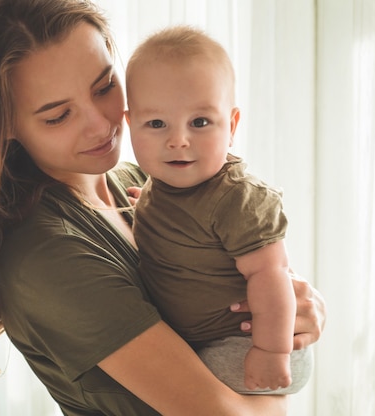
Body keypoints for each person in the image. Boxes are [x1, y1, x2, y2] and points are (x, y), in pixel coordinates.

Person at [0, 0, 326, 415]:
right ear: (3, 121)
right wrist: (274, 368)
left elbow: (255, 277)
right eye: (59, 115)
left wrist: (296, 316)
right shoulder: (48, 254)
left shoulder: (146, 182)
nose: (102, 125)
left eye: (103, 87)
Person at [125, 25, 312, 395]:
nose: (178, 140)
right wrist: (144, 207)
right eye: (157, 124)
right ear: (130, 125)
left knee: (180, 387)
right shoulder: (159, 186)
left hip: (245, 343)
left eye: (200, 122)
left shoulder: (236, 199)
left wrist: (270, 351)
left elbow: (271, 275)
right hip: (206, 339)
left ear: (232, 125)